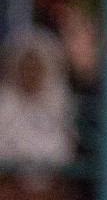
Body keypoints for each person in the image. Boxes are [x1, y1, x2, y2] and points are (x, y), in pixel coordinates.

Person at [0, 27, 75, 200]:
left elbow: (65, 153)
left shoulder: (59, 100)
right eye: (26, 67)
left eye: (36, 67)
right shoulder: (5, 102)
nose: (30, 73)